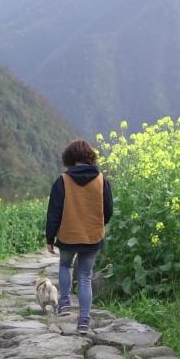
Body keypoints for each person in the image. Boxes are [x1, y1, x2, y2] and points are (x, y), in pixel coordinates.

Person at [45, 140, 113, 334]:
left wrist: (50, 238)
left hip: (68, 234)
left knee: (65, 265)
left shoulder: (63, 180)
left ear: (70, 158)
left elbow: (54, 212)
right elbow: (108, 209)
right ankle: (84, 320)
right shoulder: (101, 180)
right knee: (85, 276)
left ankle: (64, 302)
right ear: (90, 157)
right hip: (92, 235)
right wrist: (98, 225)